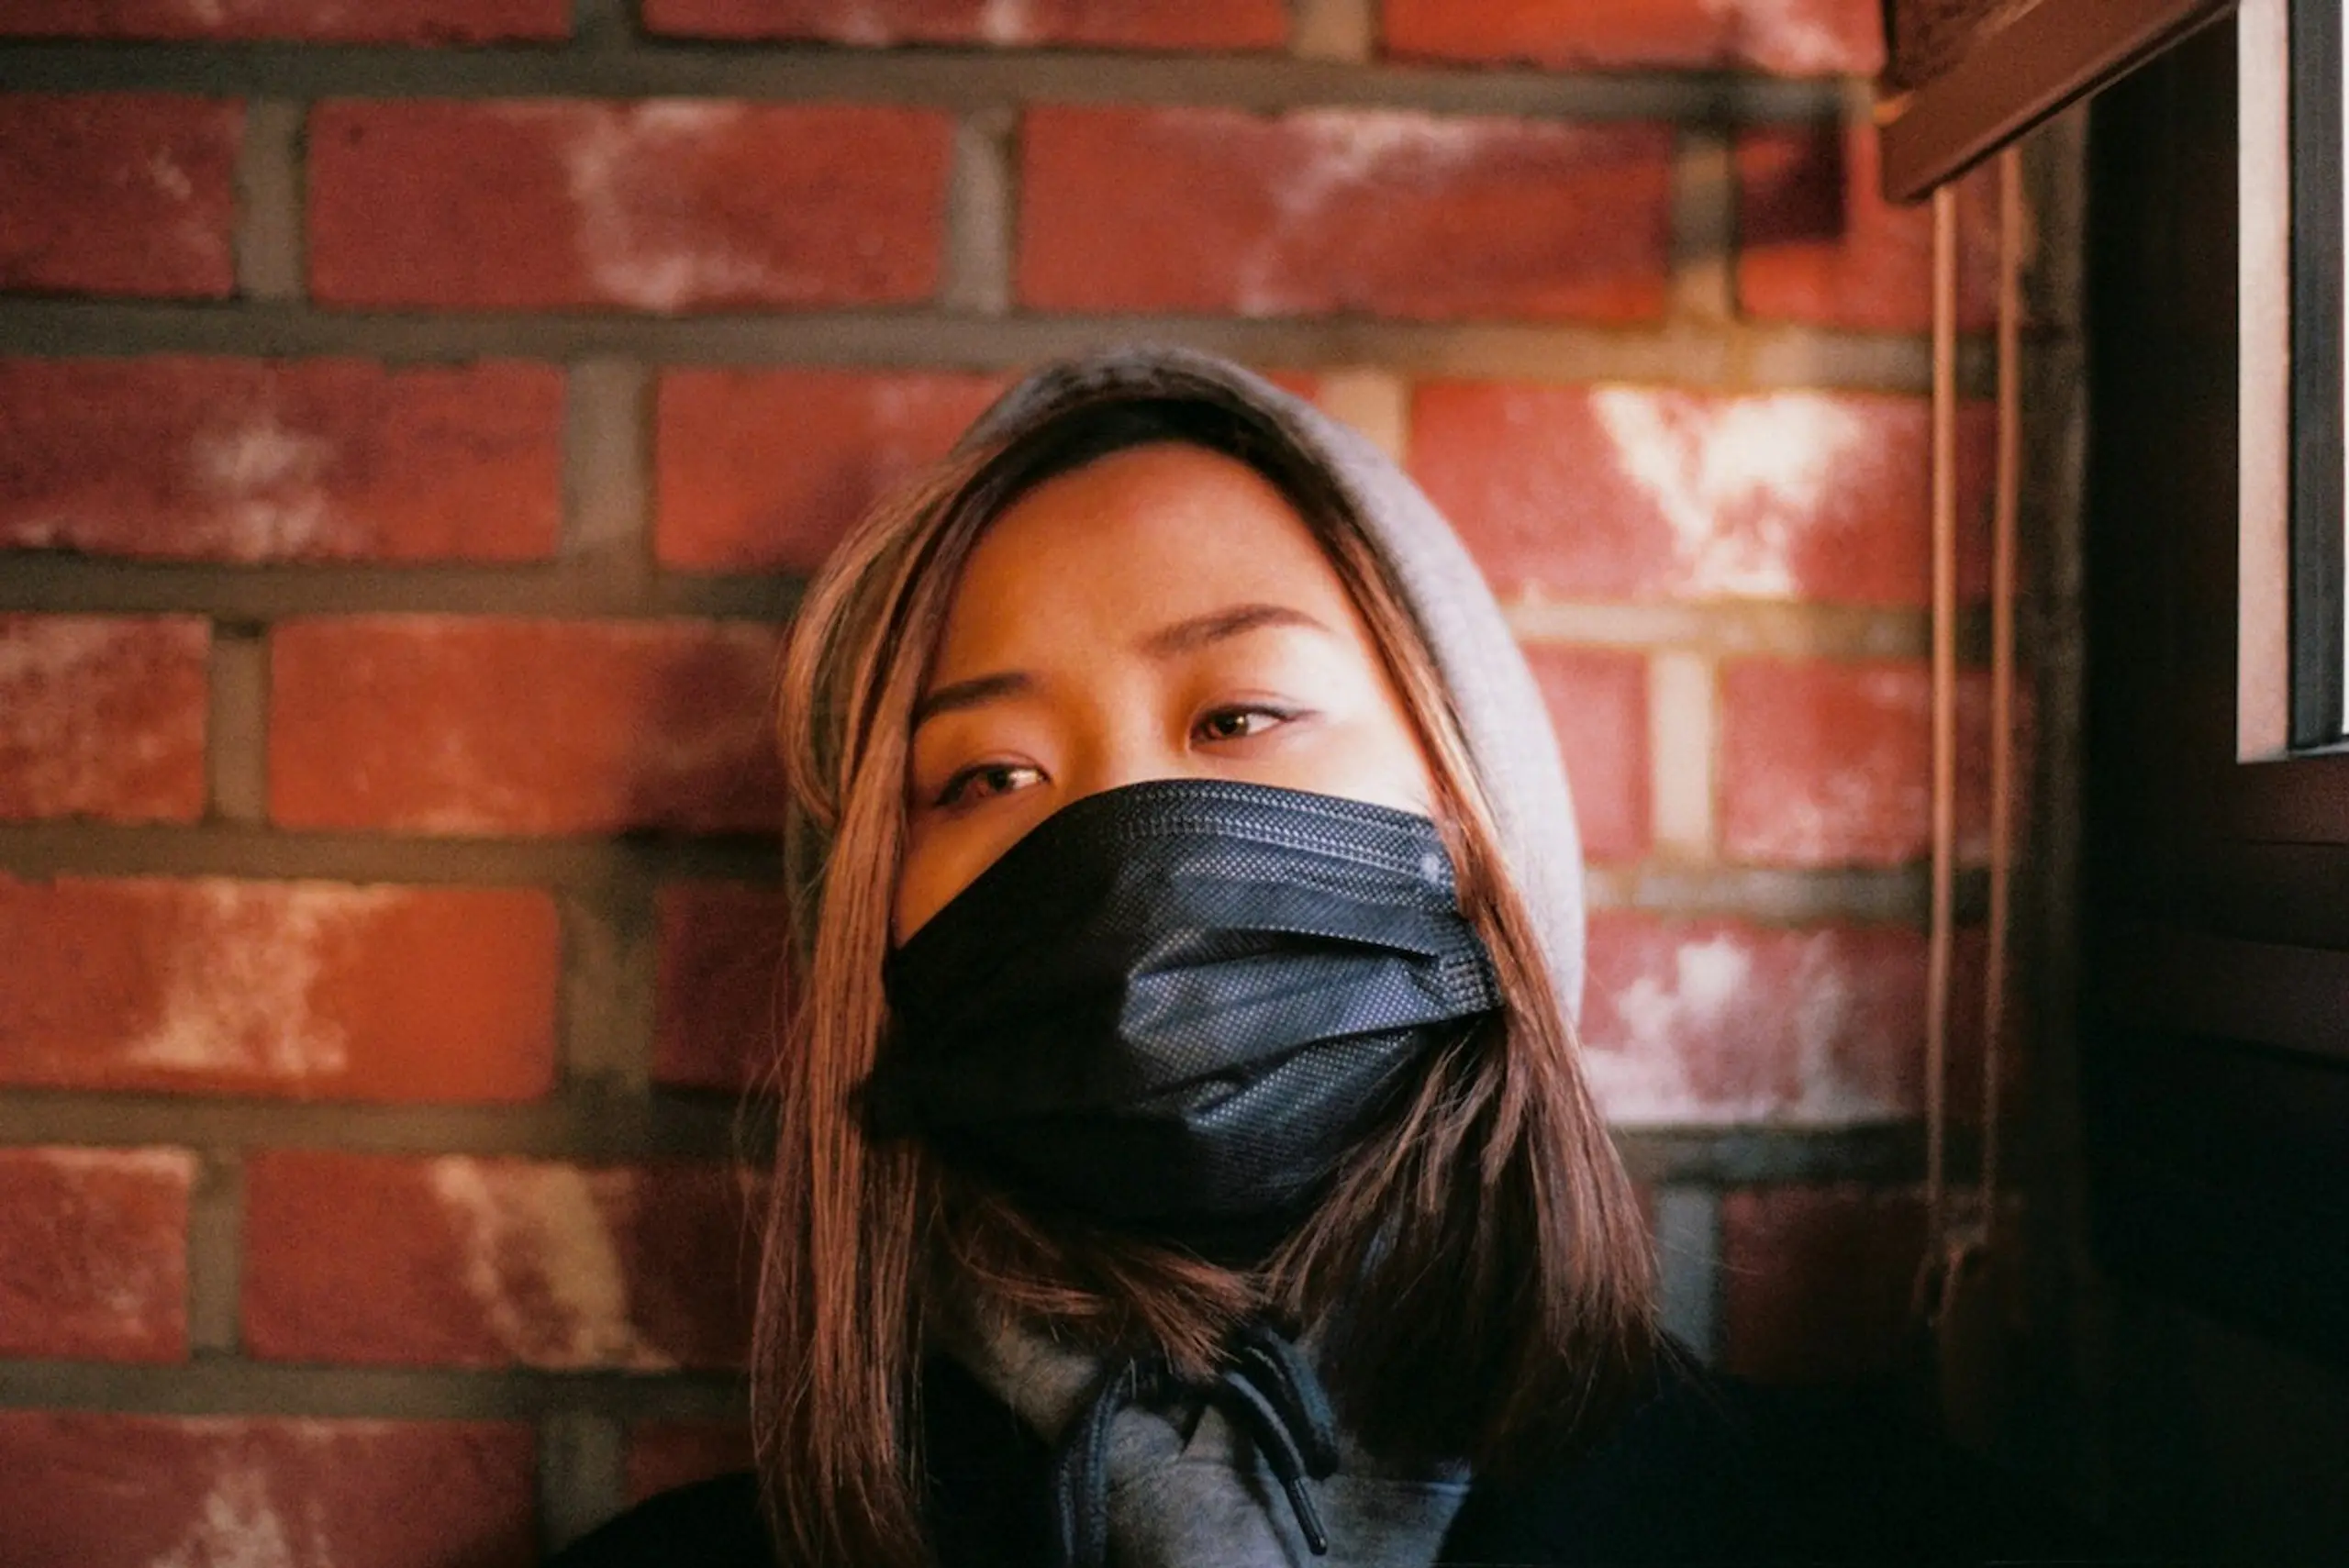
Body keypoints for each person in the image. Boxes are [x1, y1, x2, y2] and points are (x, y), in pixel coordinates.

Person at [552, 348, 2084, 1568]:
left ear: (1480, 808)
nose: (1123, 829)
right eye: (986, 777)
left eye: (1240, 718)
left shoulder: (1896, 1536)